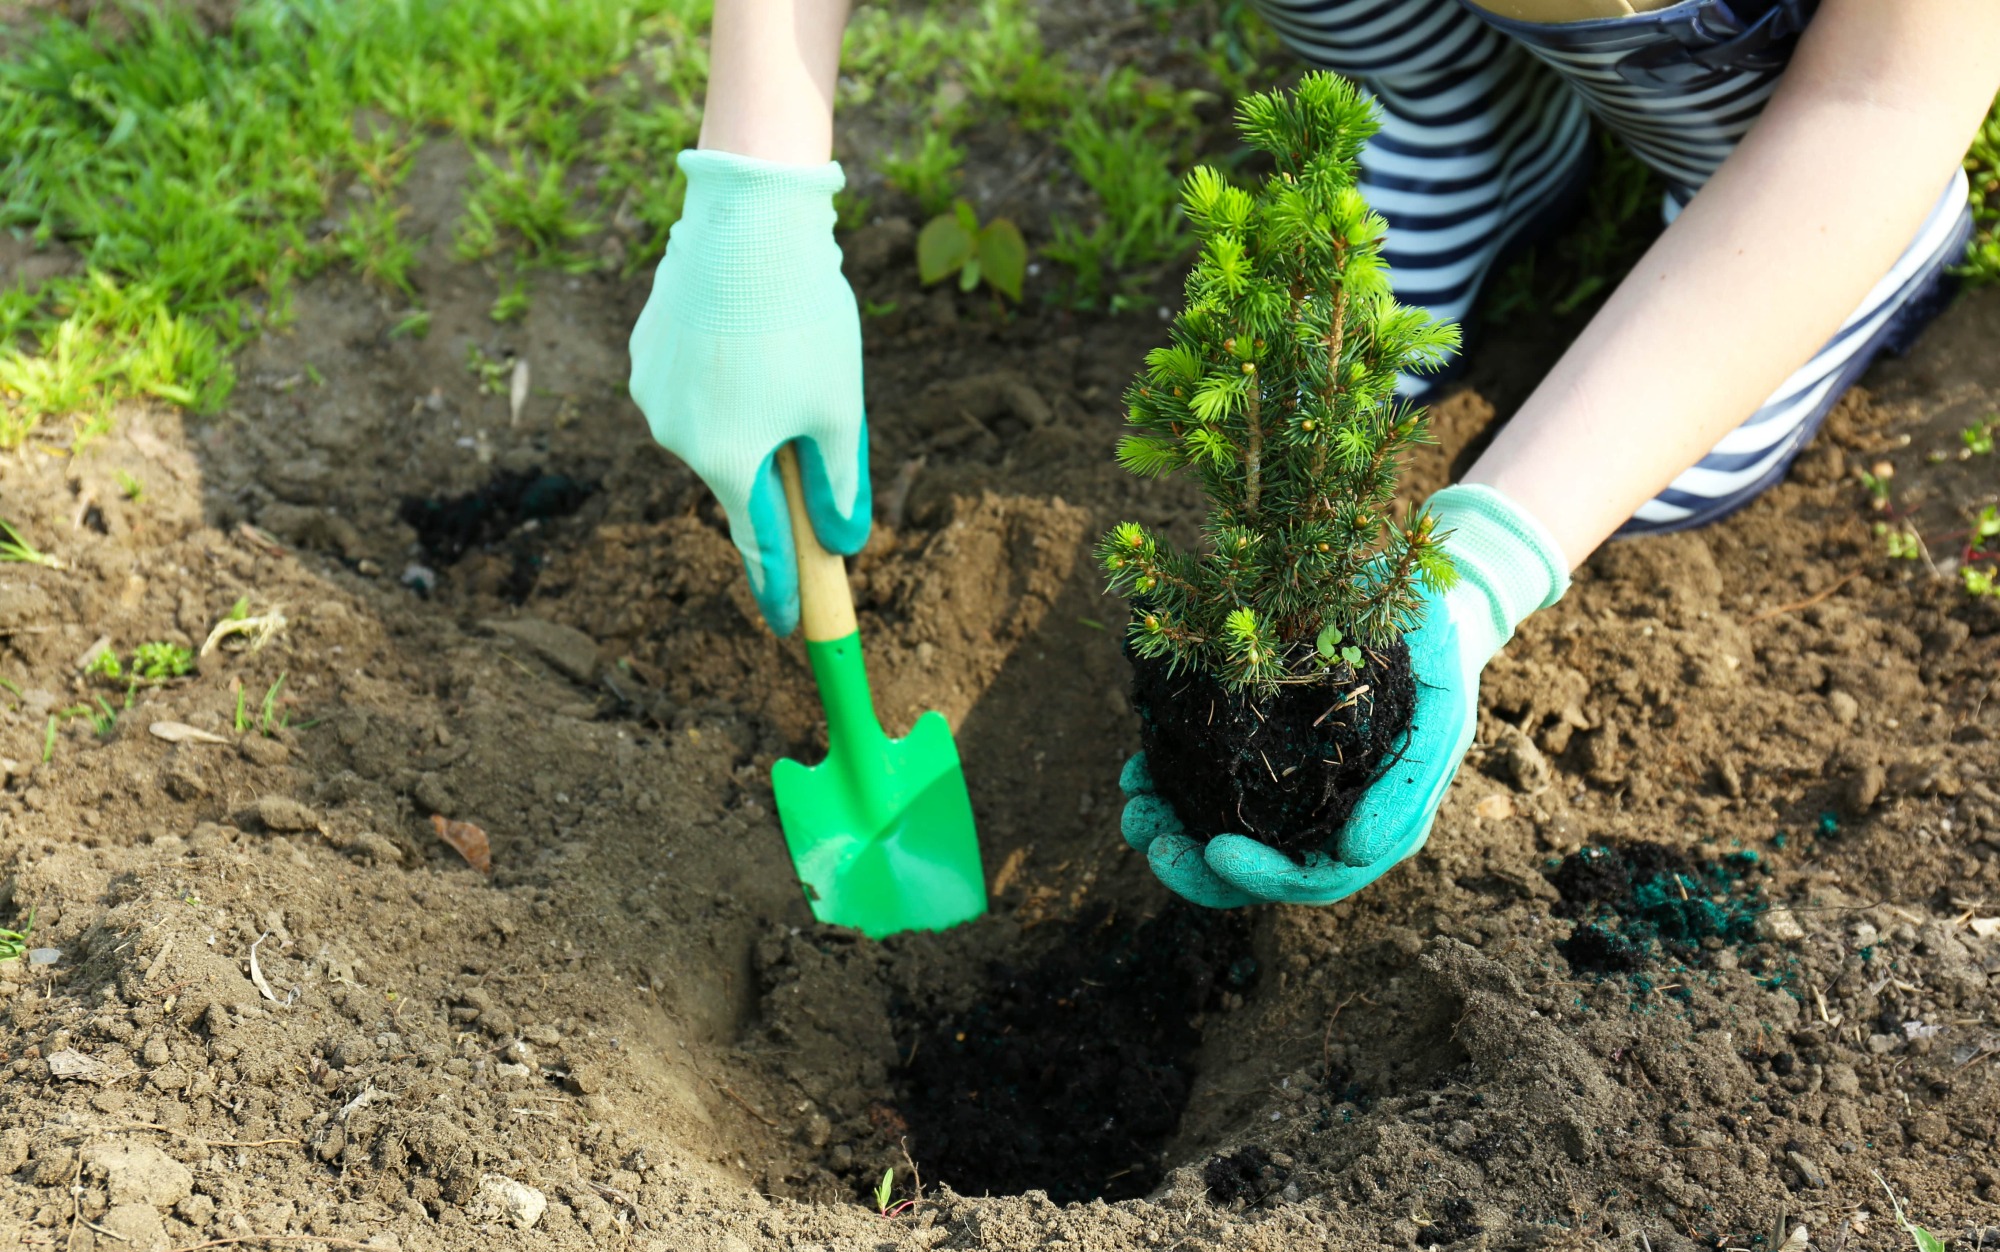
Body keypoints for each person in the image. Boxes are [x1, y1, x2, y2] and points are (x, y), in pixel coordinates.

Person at [629, 0, 2000, 909]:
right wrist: (757, 183)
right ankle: (1453, 98)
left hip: (1833, 97)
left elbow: (1886, 91)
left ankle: (1765, 191)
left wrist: (1482, 567)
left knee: (1762, 237)